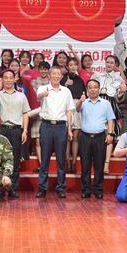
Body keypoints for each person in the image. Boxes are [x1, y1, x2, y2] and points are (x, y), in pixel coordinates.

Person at [35, 66, 74, 198]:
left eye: (58, 74)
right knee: (45, 159)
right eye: (54, 74)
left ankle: (61, 187)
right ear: (49, 75)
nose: (56, 76)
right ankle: (42, 188)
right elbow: (38, 98)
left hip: (61, 126)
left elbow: (69, 111)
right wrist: (43, 95)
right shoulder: (43, 88)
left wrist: (69, 128)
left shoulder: (66, 91)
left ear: (61, 77)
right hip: (46, 125)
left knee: (61, 159)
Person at [0, 69, 30, 198]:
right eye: (5, 78)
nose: (8, 80)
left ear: (15, 79)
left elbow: (25, 113)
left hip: (16, 130)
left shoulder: (21, 95)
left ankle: (12, 188)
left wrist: (25, 130)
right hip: (1, 129)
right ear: (2, 79)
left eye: (10, 77)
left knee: (15, 159)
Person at [76, 79, 115, 199]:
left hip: (100, 137)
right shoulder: (83, 102)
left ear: (99, 89)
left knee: (99, 165)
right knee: (85, 165)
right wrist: (80, 101)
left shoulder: (106, 103)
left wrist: (110, 133)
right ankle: (86, 189)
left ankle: (98, 189)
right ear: (87, 90)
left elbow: (110, 120)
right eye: (90, 87)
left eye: (95, 87)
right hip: (85, 137)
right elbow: (77, 109)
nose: (93, 89)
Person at [62, 57, 86, 171]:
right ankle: (67, 162)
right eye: (70, 65)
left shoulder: (80, 79)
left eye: (75, 65)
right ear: (67, 66)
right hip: (66, 108)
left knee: (76, 136)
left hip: (77, 107)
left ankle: (74, 162)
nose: (73, 67)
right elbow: (59, 94)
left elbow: (83, 95)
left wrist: (81, 101)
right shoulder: (63, 78)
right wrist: (66, 85)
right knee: (67, 137)